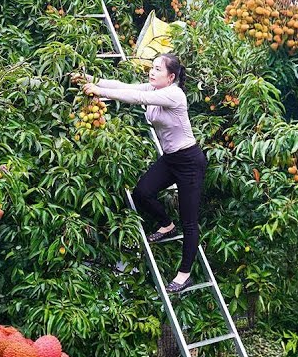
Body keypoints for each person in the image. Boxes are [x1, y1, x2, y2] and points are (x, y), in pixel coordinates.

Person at [78, 53, 206, 293]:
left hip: (189, 161)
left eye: (158, 69)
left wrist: (98, 91)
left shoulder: (174, 94)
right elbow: (123, 86)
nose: (152, 71)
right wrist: (90, 79)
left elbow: (136, 98)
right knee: (142, 192)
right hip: (170, 159)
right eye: (152, 67)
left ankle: (184, 273)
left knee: (189, 221)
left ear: (171, 77)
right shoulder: (155, 88)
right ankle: (166, 224)